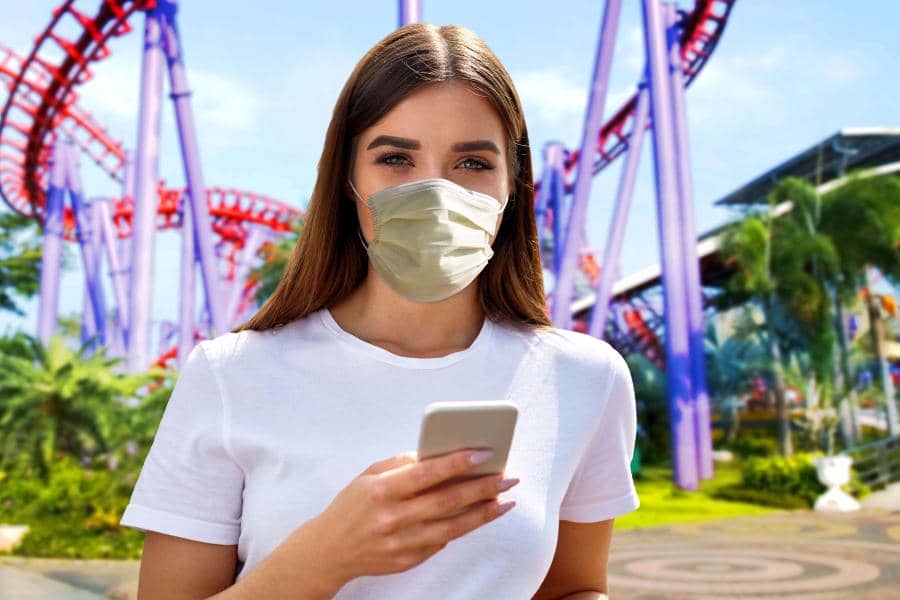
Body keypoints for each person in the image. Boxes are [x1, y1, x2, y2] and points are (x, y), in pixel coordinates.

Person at [119, 21, 639, 600]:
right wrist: (327, 557)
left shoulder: (585, 379)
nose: (435, 191)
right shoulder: (231, 374)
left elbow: (574, 589)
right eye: (395, 158)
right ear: (347, 177)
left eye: (472, 163)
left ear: (512, 182)